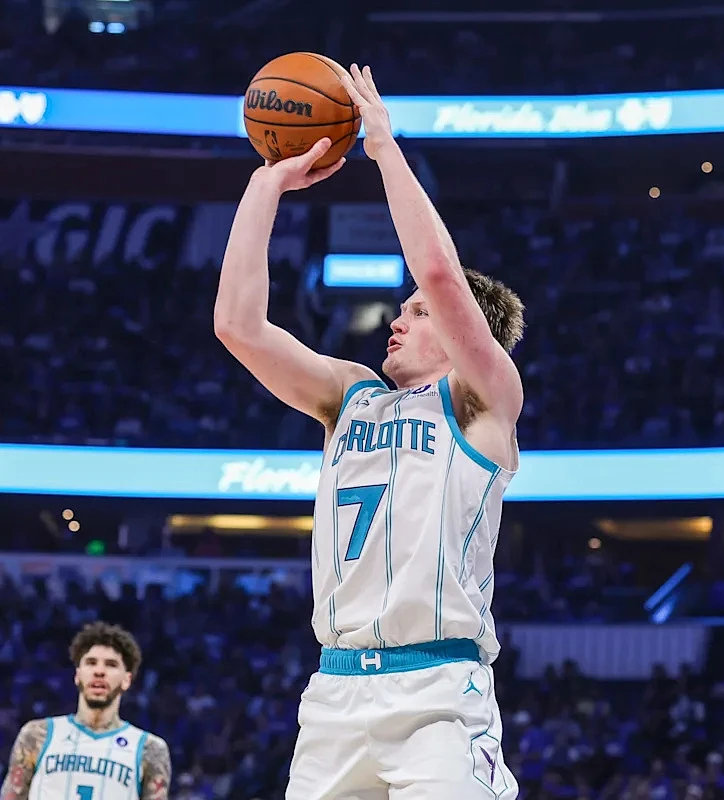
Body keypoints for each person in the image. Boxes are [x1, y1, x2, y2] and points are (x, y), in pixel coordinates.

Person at [215, 63, 524, 799]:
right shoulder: (350, 396)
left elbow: (442, 275)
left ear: (462, 332)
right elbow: (237, 326)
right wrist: (265, 186)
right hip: (335, 693)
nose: (398, 318)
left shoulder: (483, 401)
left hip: (437, 693)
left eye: (417, 313)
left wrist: (383, 147)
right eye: (403, 309)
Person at [0, 622, 172, 800]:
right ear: (78, 675)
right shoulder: (37, 735)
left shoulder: (149, 749)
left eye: (111, 665)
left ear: (126, 680)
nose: (99, 671)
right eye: (91, 663)